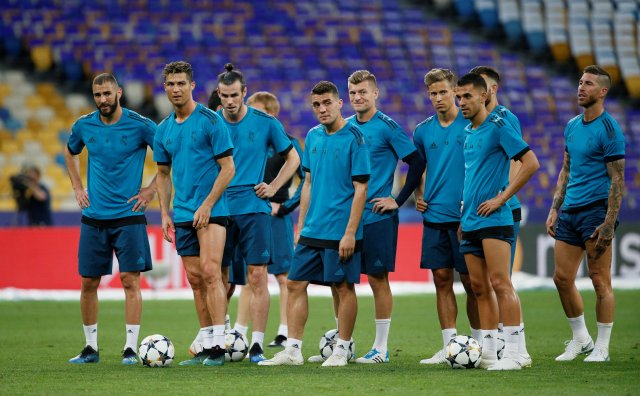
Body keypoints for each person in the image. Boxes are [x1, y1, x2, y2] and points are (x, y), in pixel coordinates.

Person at [303, 70, 424, 364]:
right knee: (338, 281)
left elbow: (417, 161)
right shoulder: (342, 129)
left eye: (363, 93)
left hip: (377, 217)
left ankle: (381, 348)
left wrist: (397, 199)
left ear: (375, 94)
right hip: (344, 220)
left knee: (378, 279)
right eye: (353, 93)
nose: (358, 98)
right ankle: (345, 344)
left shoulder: (387, 127)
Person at [259, 80, 370, 367]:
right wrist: (300, 225)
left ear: (339, 103)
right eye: (316, 105)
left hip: (340, 230)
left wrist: (350, 233)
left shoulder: (354, 137)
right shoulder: (313, 136)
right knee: (295, 284)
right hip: (313, 229)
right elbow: (306, 184)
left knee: (343, 287)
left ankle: (342, 349)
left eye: (327, 103)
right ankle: (293, 350)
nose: (321, 109)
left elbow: (361, 189)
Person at [65, 73, 156, 365]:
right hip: (94, 218)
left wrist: (151, 190)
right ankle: (90, 348)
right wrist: (78, 188)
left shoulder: (141, 125)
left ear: (118, 92)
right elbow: (70, 152)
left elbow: (171, 156)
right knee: (88, 282)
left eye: (107, 93)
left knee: (130, 281)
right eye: (97, 95)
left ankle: (130, 348)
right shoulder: (83, 125)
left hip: (129, 217)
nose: (103, 100)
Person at [217, 64, 300, 363]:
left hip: (254, 209)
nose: (229, 101)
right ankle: (217, 339)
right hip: (220, 209)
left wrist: (274, 186)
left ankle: (256, 344)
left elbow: (294, 158)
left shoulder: (265, 122)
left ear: (244, 93)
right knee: (218, 278)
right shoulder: (211, 122)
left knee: (258, 275)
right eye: (224, 96)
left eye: (234, 95)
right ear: (218, 94)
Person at [455, 73, 539, 370]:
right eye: (459, 97)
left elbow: (531, 162)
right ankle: (490, 353)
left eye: (467, 96)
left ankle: (516, 354)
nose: (461, 102)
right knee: (479, 288)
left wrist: (502, 198)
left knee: (501, 282)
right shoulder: (467, 132)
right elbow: (470, 178)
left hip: (495, 217)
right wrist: (464, 215)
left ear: (484, 96)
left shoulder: (499, 126)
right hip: (471, 220)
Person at [154, 61, 235, 367]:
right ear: (165, 88)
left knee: (212, 273)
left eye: (181, 84)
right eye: (170, 84)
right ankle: (204, 344)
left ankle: (218, 347)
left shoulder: (211, 121)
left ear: (192, 86)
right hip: (184, 213)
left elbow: (229, 169)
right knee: (195, 279)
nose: (176, 89)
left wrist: (208, 204)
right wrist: (164, 213)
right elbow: (162, 174)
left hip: (212, 212)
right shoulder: (162, 130)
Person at [547, 65, 625, 362]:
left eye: (588, 83)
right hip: (570, 211)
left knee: (599, 280)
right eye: (580, 82)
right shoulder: (572, 126)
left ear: (602, 91)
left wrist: (608, 223)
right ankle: (581, 339)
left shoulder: (610, 129)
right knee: (561, 278)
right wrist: (555, 207)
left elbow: (618, 180)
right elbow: (566, 169)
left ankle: (603, 347)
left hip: (596, 211)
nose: (581, 87)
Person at [412, 68, 480, 364]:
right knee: (441, 279)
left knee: (472, 282)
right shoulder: (422, 130)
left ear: (455, 91)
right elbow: (416, 166)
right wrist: (418, 193)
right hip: (435, 215)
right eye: (433, 93)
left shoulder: (472, 123)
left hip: (467, 216)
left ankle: (480, 342)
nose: (438, 98)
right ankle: (449, 345)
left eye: (443, 92)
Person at [232, 91, 305, 348]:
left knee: (284, 276)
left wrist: (285, 207)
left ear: (271, 114)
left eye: (257, 110)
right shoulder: (246, 139)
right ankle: (239, 331)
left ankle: (284, 330)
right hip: (249, 213)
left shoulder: (289, 142)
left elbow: (306, 180)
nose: (249, 114)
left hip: (276, 218)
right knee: (251, 275)